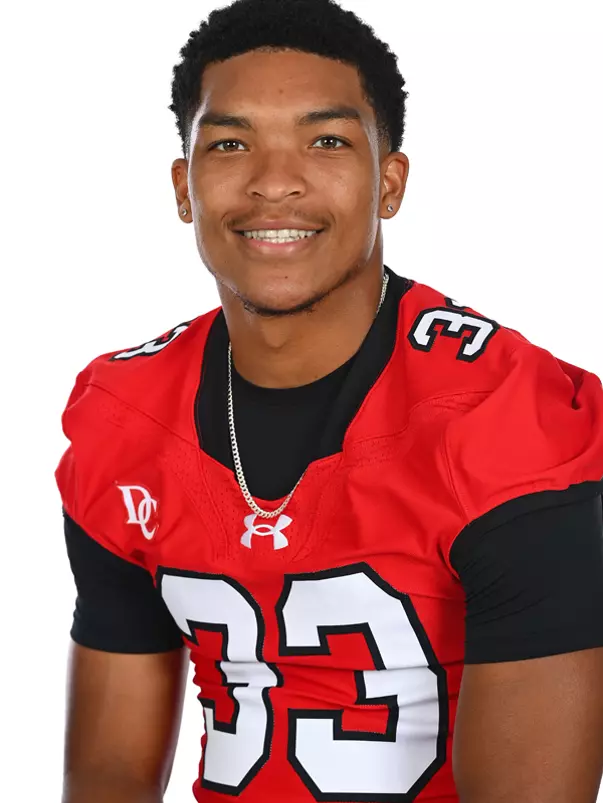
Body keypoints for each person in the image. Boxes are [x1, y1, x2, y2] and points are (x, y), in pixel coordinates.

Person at [55, 0, 603, 801]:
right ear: (184, 186)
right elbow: (107, 777)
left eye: (326, 141)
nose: (275, 182)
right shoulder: (123, 412)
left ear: (389, 181)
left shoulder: (504, 417)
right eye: (231, 143)